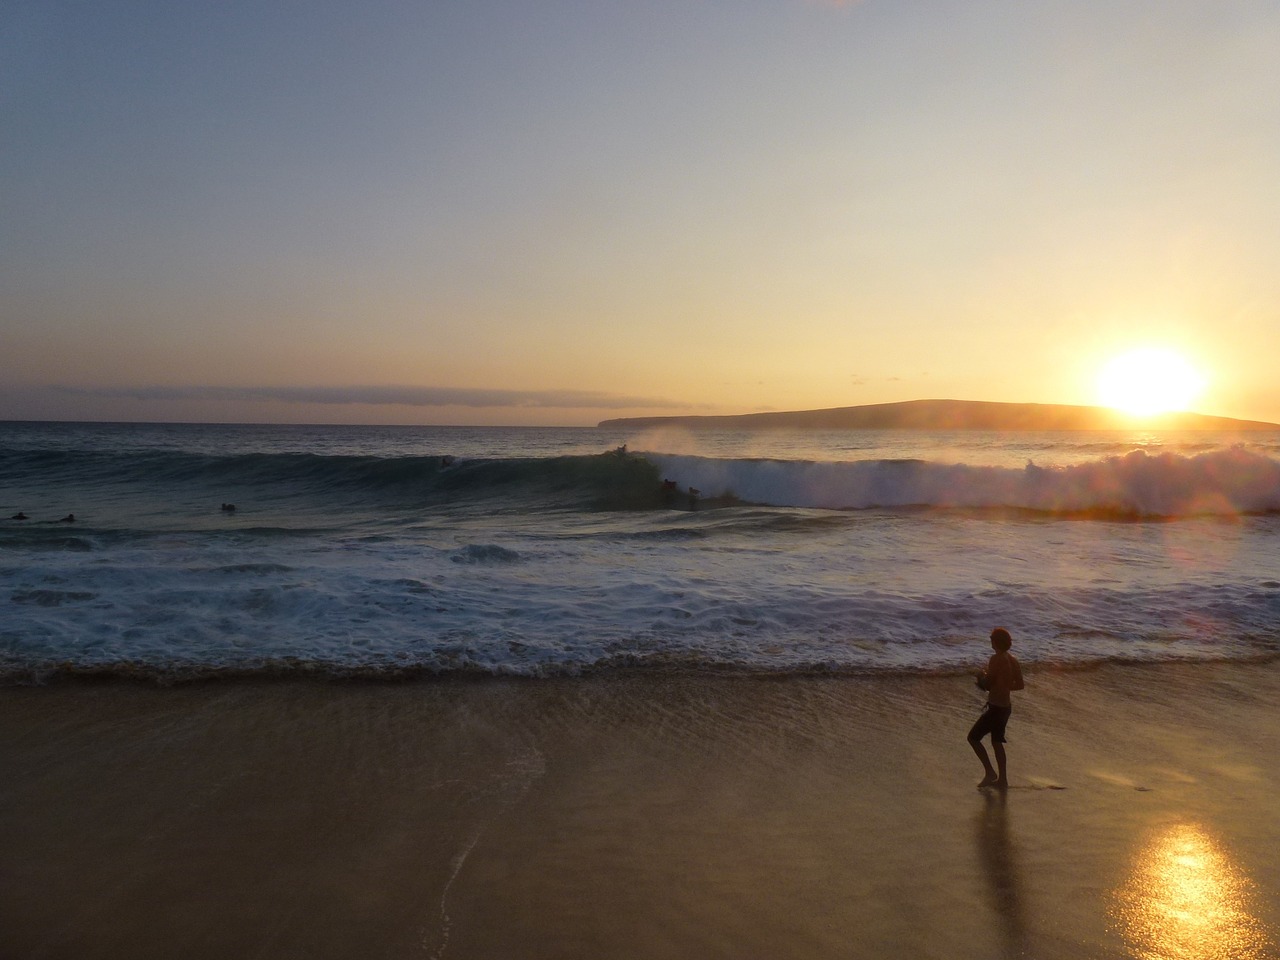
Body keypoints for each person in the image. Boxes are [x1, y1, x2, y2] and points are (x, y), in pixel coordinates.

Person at [968, 627, 1024, 789]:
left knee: (973, 738)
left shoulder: (996, 659)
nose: (991, 643)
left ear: (995, 642)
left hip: (995, 708)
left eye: (992, 640)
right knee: (997, 741)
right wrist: (1004, 687)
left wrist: (979, 677)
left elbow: (987, 685)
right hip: (1006, 707)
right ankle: (1003, 780)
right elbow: (1020, 685)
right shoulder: (1013, 659)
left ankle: (990, 772)